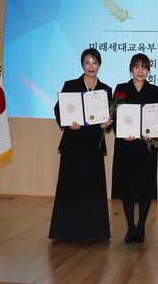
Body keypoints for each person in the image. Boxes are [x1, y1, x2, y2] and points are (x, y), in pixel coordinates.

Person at [49, 48, 113, 242]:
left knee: (92, 190)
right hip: (73, 145)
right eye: (87, 62)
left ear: (99, 65)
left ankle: (94, 232)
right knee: (70, 188)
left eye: (94, 62)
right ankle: (66, 231)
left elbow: (110, 116)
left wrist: (107, 123)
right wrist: (68, 122)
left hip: (93, 146)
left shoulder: (106, 89)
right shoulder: (71, 85)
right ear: (82, 65)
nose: (91, 66)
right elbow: (58, 109)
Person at [111, 53, 158, 243]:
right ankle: (130, 228)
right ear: (131, 68)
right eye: (137, 66)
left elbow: (157, 118)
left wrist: (154, 133)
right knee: (127, 188)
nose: (140, 71)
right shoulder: (121, 89)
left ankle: (141, 227)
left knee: (145, 187)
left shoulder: (154, 90)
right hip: (126, 146)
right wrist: (122, 132)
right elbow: (114, 116)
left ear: (148, 70)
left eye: (144, 67)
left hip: (146, 147)